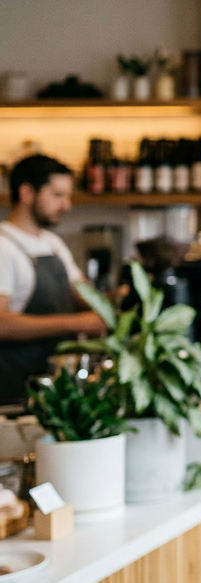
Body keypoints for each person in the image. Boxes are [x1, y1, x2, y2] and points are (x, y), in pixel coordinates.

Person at [0, 155, 105, 406]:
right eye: (57, 195)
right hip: (14, 391)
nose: (67, 205)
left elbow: (82, 295)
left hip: (55, 387)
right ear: (27, 192)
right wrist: (75, 323)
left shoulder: (52, 243)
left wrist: (118, 297)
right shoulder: (4, 246)